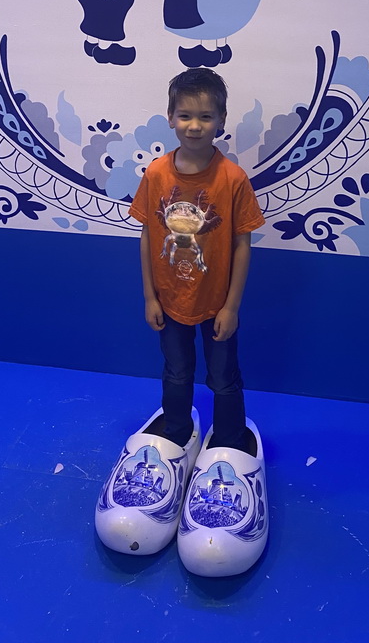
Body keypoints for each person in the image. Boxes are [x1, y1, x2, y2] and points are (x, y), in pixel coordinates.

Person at [128, 68, 265, 454]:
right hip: (170, 302)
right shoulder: (155, 173)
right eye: (185, 115)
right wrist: (150, 297)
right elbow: (147, 236)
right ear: (170, 117)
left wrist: (232, 306)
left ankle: (230, 442)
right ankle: (175, 435)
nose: (194, 126)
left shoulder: (233, 179)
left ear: (221, 121)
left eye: (205, 117)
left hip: (216, 305)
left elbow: (243, 243)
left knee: (223, 379)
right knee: (176, 373)